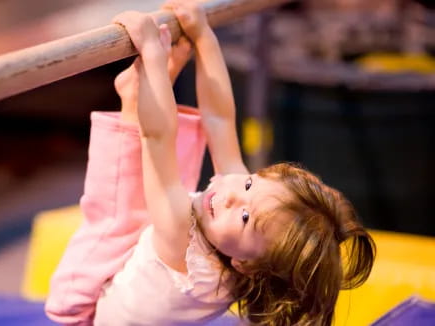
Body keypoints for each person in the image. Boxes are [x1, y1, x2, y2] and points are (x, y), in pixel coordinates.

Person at [46, 1, 376, 325]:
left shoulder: (182, 247)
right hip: (136, 275)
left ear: (246, 265)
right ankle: (136, 96)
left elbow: (157, 138)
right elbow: (219, 118)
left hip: (83, 312)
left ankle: (138, 95)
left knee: (119, 212)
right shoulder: (245, 241)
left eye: (246, 217)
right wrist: (204, 36)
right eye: (249, 183)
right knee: (173, 189)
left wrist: (152, 55)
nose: (234, 196)